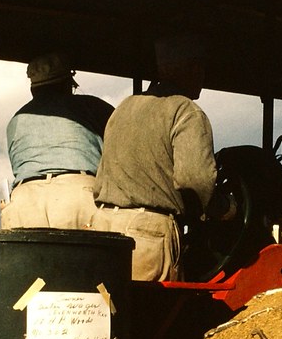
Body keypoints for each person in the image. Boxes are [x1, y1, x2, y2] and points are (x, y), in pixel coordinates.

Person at [92, 33, 234, 282]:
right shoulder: (185, 111)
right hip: (148, 236)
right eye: (198, 67)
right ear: (189, 69)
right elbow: (195, 180)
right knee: (150, 316)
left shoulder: (124, 107)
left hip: (104, 230)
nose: (202, 75)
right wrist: (226, 209)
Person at [1, 52, 114, 229]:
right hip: (77, 195)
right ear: (67, 84)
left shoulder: (16, 120)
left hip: (24, 201)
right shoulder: (93, 107)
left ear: (33, 89)